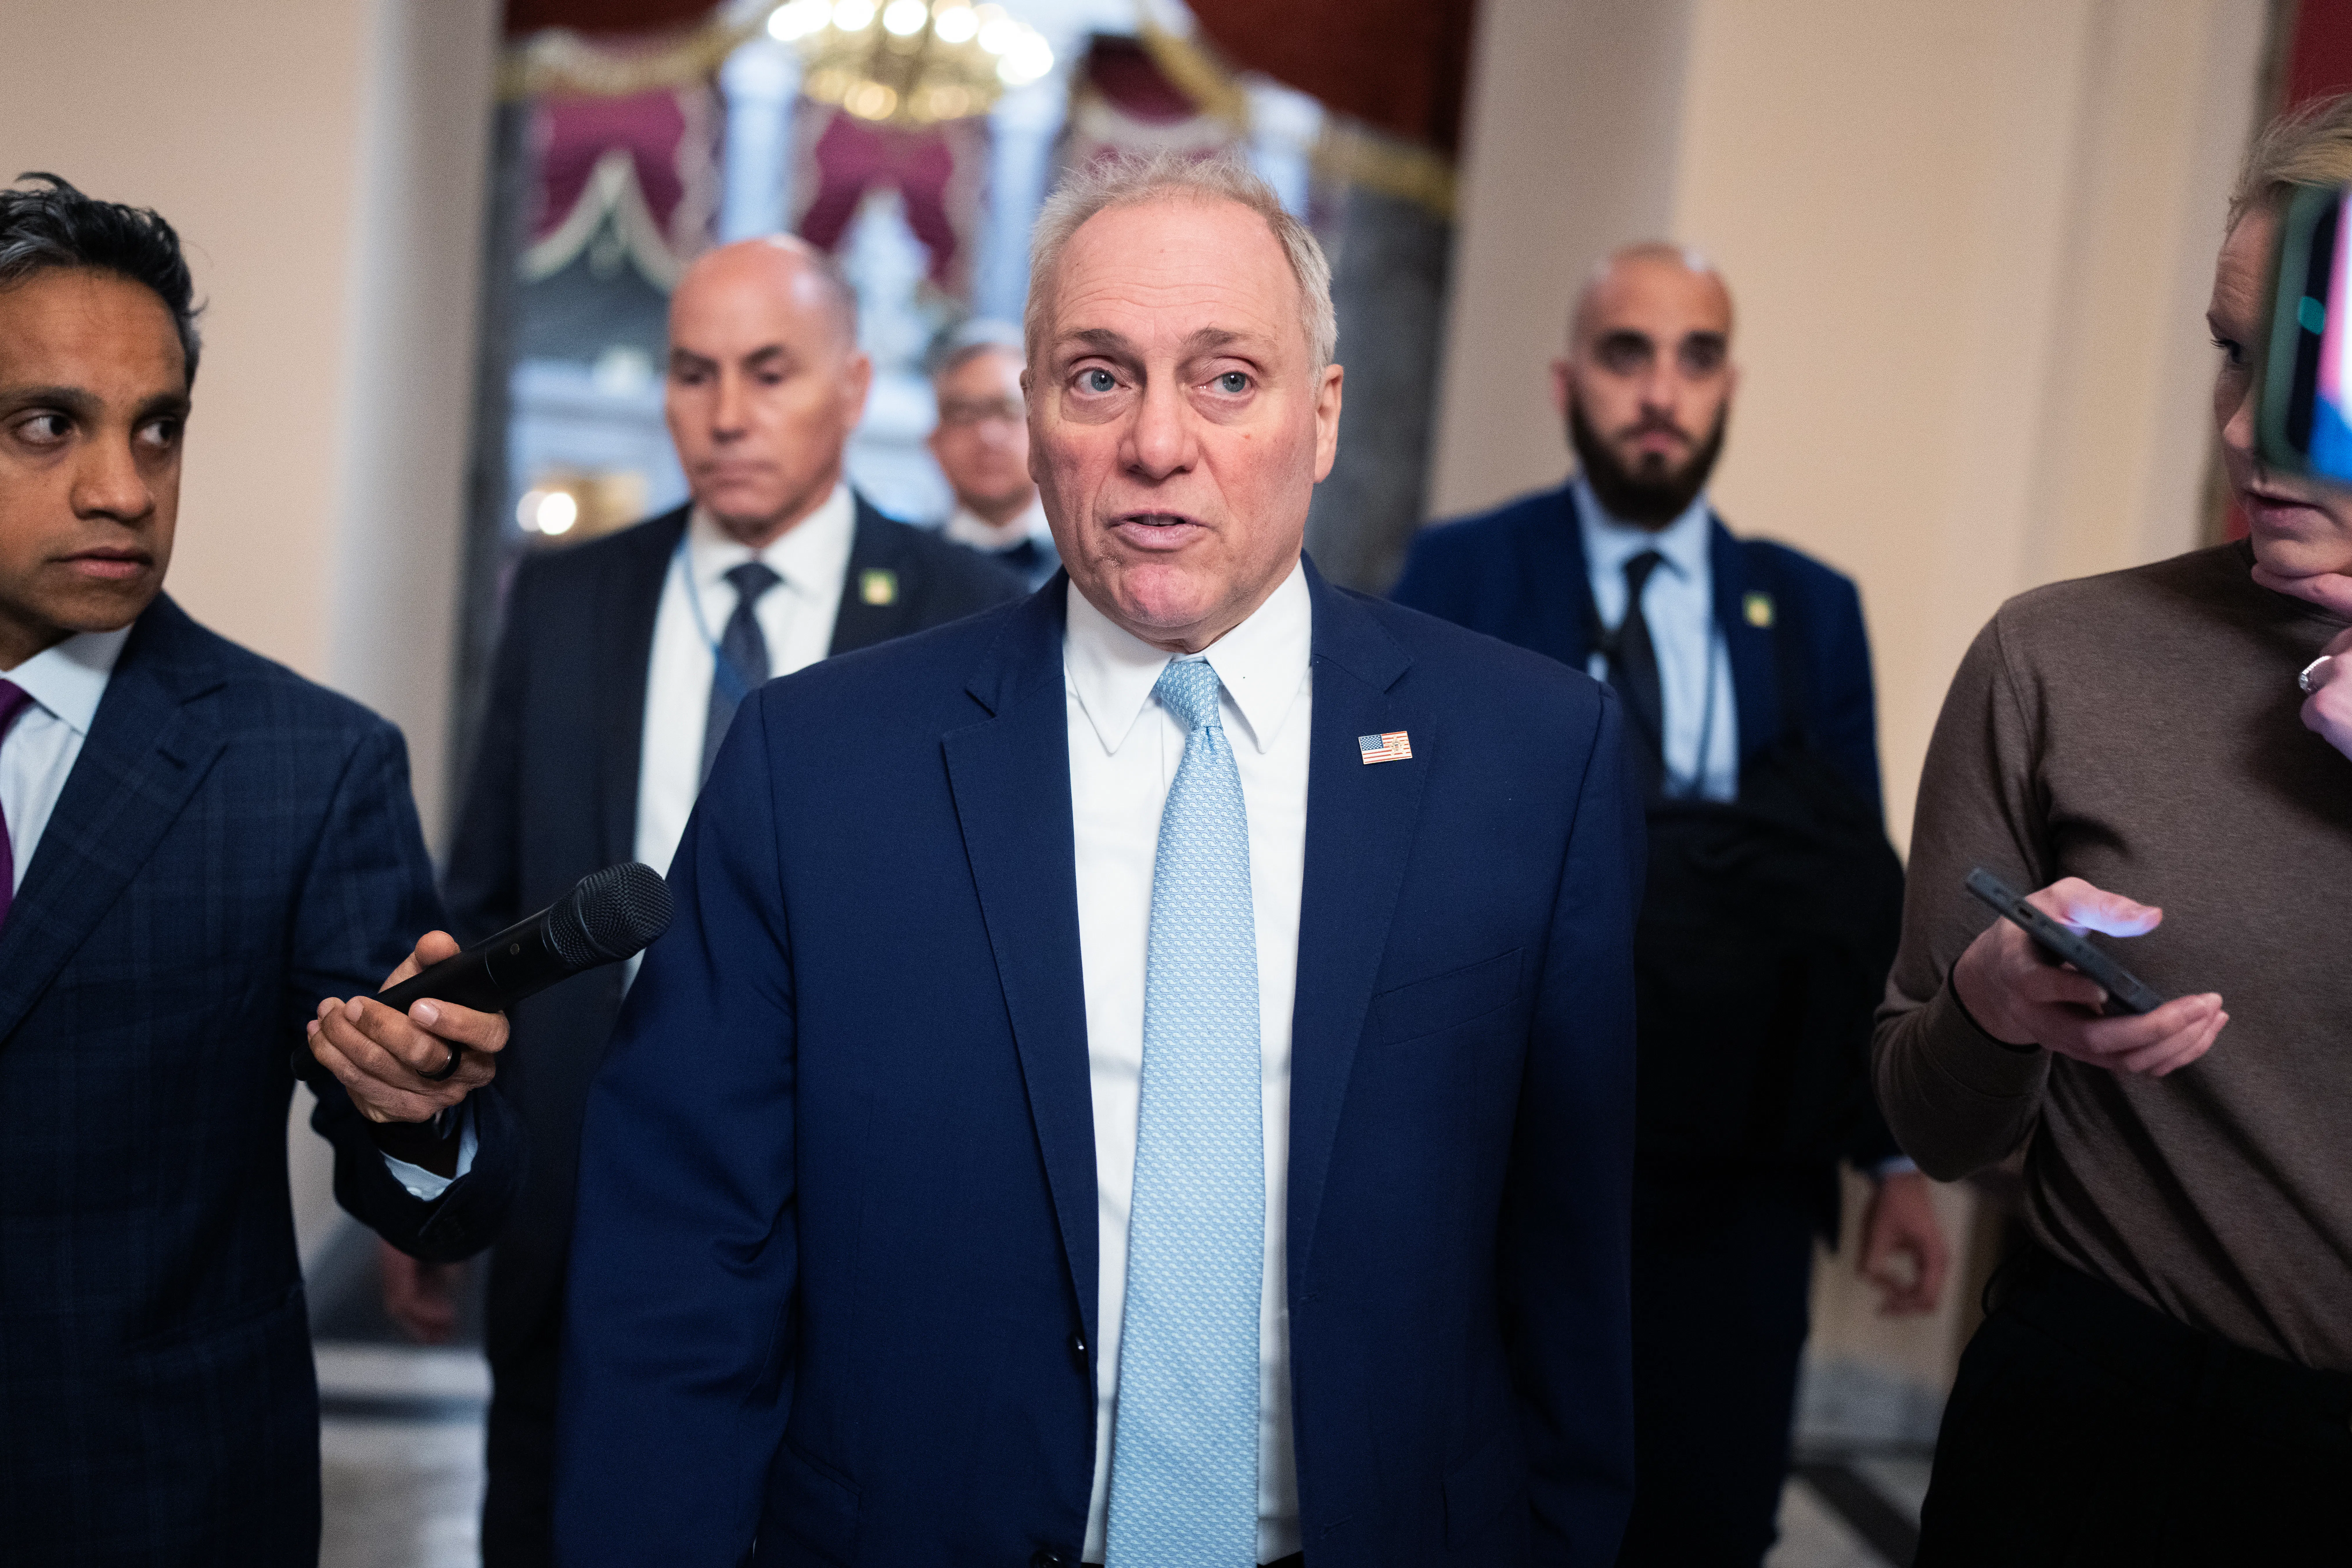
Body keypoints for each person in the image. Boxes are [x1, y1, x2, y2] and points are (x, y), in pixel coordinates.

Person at [555, 150, 1641, 1566]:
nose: (1158, 445)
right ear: (1034, 417)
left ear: (1321, 418)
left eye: (1228, 378)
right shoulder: (816, 767)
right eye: (1100, 377)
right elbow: (680, 1278)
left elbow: (1574, 1278)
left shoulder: (1533, 759)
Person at [421, 233, 1023, 1565]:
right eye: (694, 374)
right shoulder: (571, 596)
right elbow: (485, 896)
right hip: (577, 1207)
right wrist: (445, 1157)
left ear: (855, 386)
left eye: (770, 371)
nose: (729, 414)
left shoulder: (965, 611)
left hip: (859, 1223)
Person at [1392, 243, 1949, 1566]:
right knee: (1489, 1514)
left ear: (1728, 384)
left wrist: (1893, 1159)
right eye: (1626, 352)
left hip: (1741, 1179)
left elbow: (1849, 900)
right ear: (1565, 378)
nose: (1660, 389)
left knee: (1702, 1515)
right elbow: (1395, 858)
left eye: (1694, 356)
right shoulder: (1464, 572)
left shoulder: (1806, 610)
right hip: (1505, 1150)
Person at [0, 174, 516, 1565]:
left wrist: (424, 1108)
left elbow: (422, 1170)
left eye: (157, 430)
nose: (122, 487)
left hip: (151, 1497)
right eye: (47, 425)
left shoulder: (308, 764)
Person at [1878, 97, 2352, 1568]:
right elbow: (1930, 1118)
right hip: (2101, 1437)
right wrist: (1992, 1005)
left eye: (2298, 368)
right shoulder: (2060, 660)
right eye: (2227, 351)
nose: (2237, 427)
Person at [929, 317, 1060, 586]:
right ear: (934, 442)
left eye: (1009, 410)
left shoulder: (1091, 568)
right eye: (965, 413)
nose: (988, 435)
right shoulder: (904, 566)